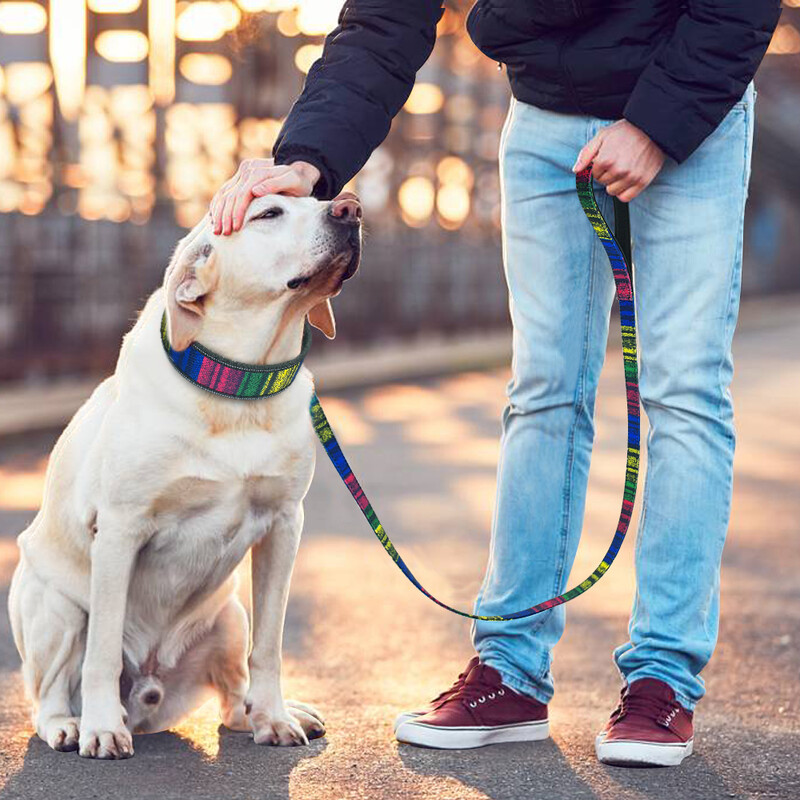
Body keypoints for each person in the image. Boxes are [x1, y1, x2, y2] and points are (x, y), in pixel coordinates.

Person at [210, 0, 781, 767]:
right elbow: (383, 21)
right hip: (544, 117)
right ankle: (509, 672)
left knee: (684, 390)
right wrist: (307, 158)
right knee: (543, 389)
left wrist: (656, 125)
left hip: (687, 111)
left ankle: (662, 681)